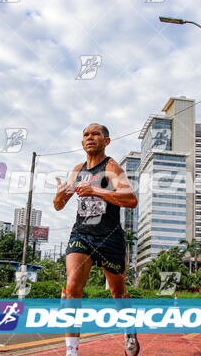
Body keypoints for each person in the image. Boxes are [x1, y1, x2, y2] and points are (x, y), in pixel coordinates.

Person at [54, 123, 139, 356]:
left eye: (95, 134)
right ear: (82, 143)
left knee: (118, 293)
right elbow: (59, 206)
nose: (90, 137)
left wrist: (96, 191)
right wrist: (60, 196)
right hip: (82, 234)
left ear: (106, 141)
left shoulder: (111, 168)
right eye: (86, 135)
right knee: (72, 287)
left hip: (109, 237)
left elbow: (131, 199)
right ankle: (72, 352)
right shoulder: (77, 170)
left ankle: (129, 329)